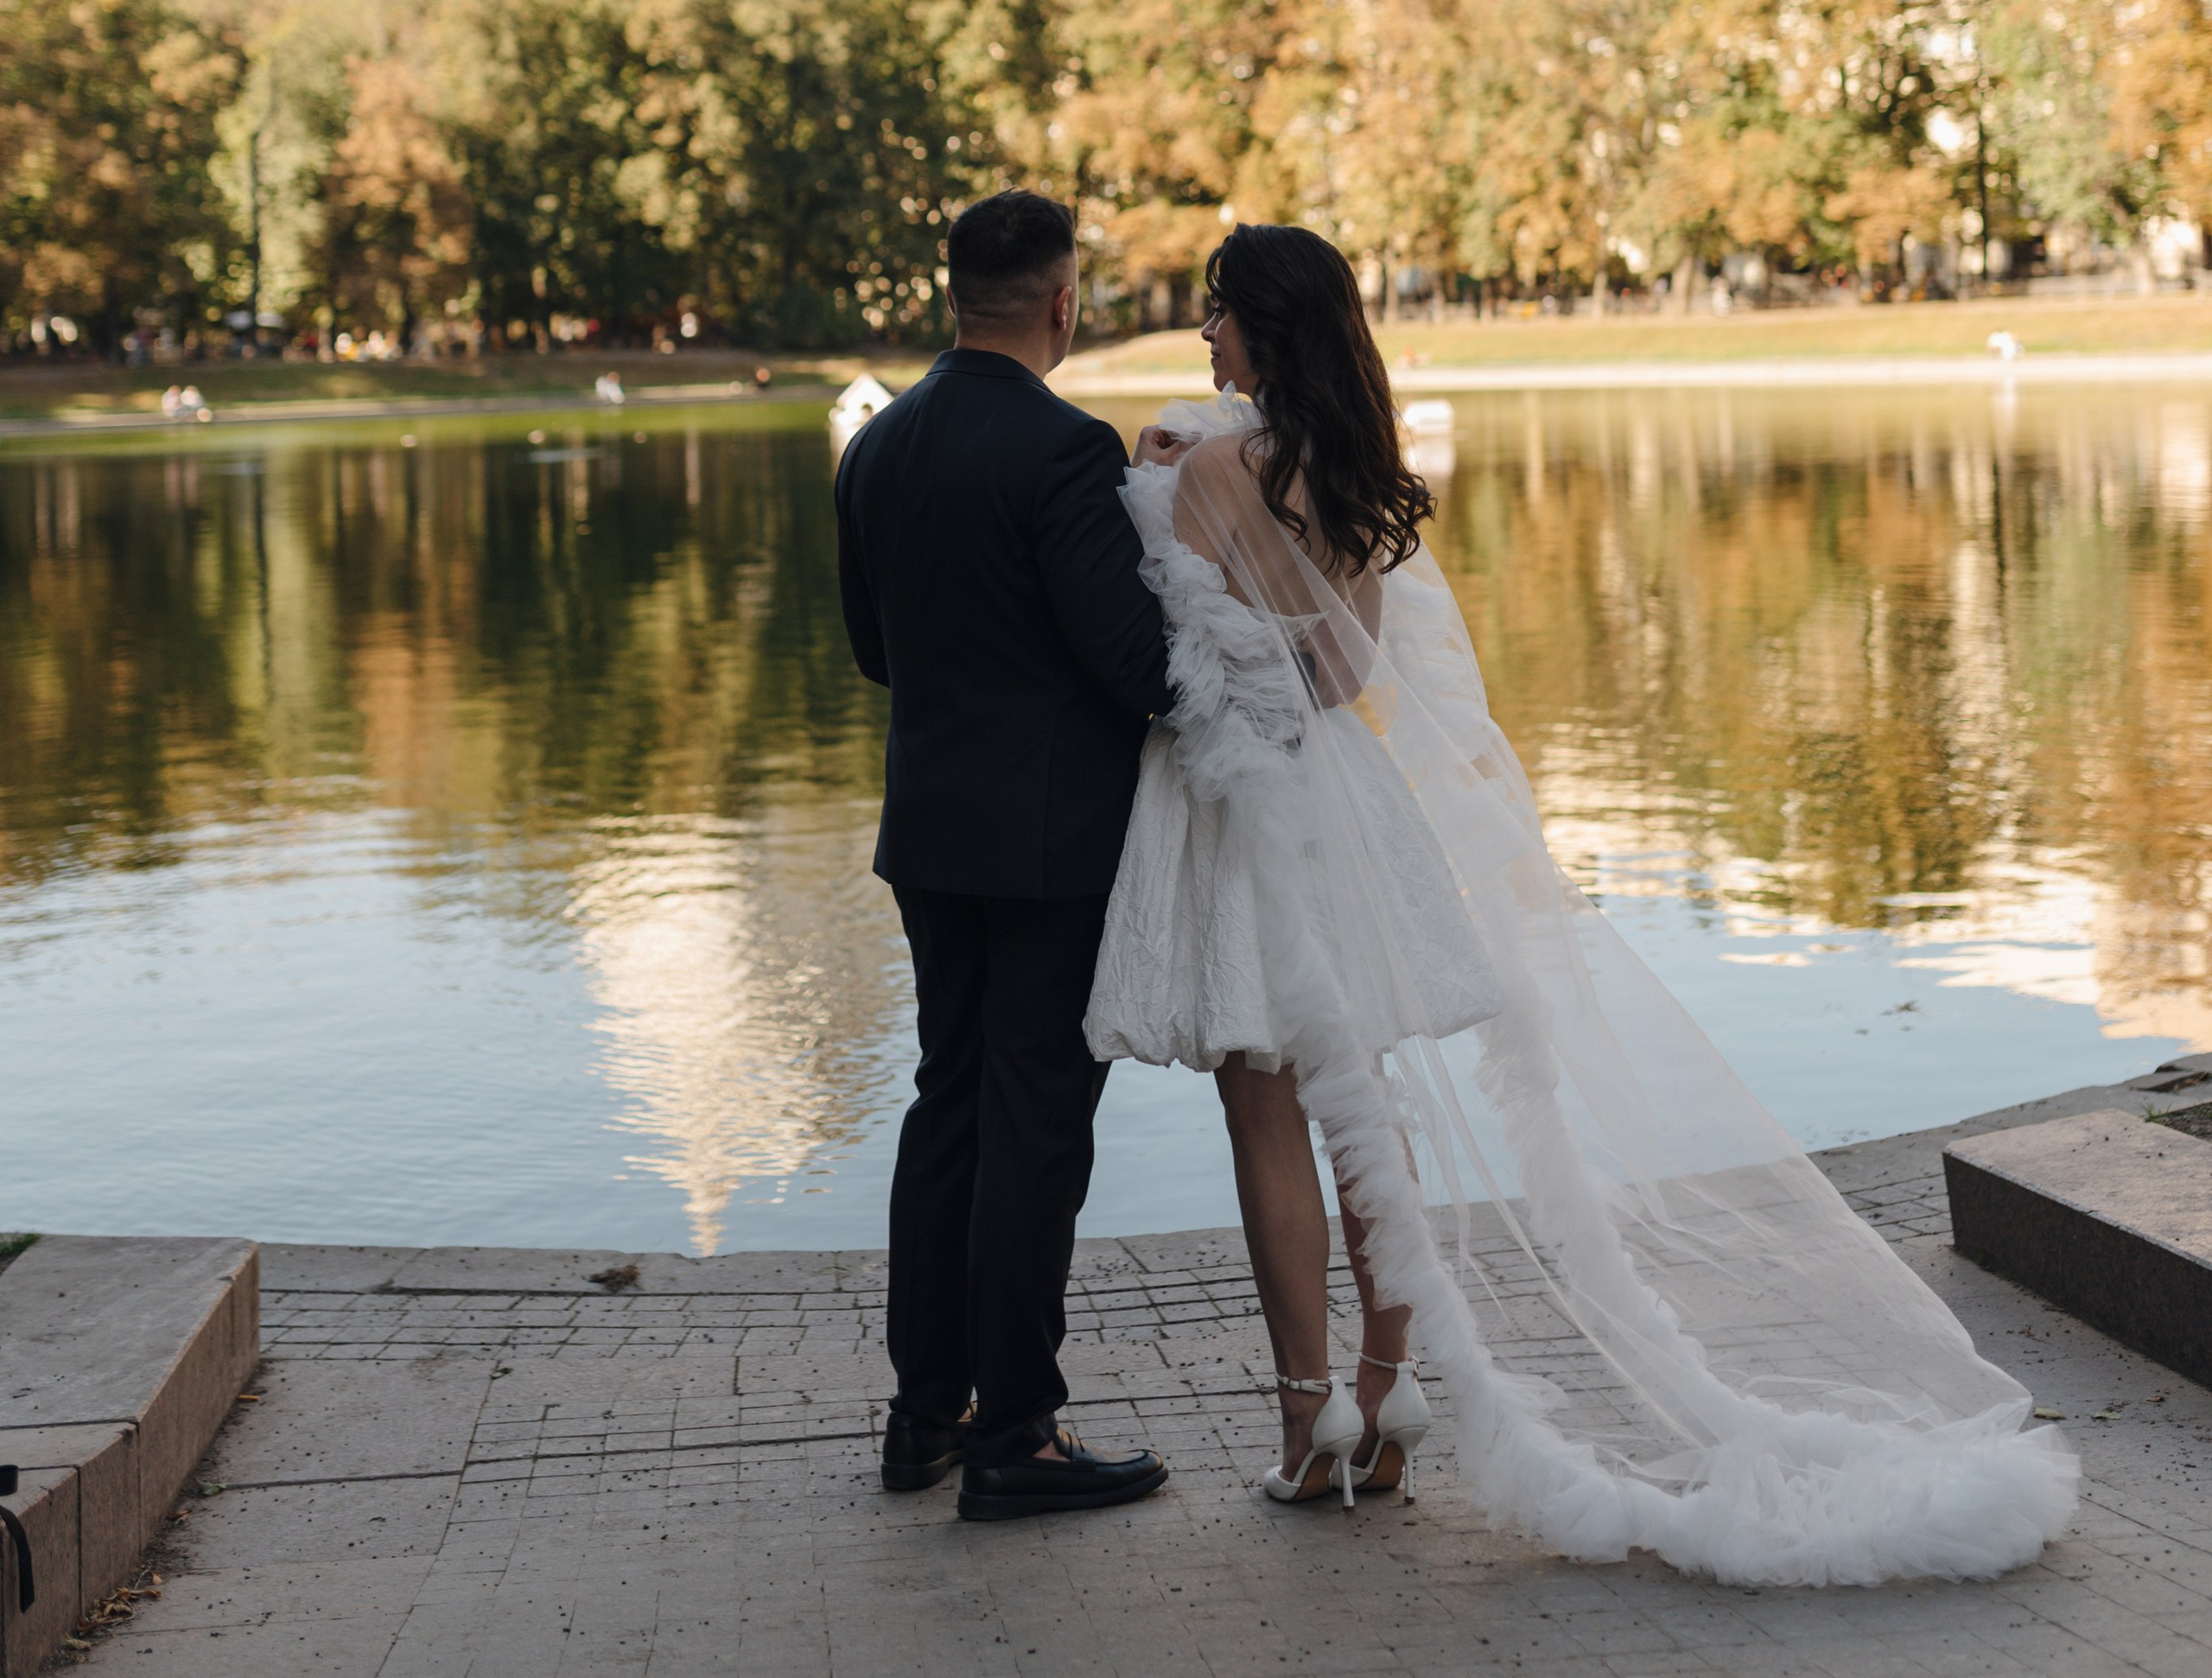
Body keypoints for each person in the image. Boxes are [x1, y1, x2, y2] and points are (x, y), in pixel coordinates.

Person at [1087, 223, 2080, 1584]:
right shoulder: (1363, 475)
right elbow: (1342, 670)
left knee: (1267, 1109)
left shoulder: (1197, 473)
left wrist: (1162, 474)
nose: (1206, 338)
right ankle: (1390, 1395)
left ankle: (1305, 1416)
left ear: (1265, 326)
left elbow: (1182, 650)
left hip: (1246, 817)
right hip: (1352, 806)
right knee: (1365, 1102)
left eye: (1218, 316)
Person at [836, 189, 1173, 1523]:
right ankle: (1019, 1432)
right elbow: (1136, 666)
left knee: (951, 1106)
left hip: (929, 831)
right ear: (1062, 300)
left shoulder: (877, 448)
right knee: (1038, 1122)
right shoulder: (1064, 452)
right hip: (1048, 844)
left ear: (951, 295)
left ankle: (925, 1413)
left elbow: (876, 655)